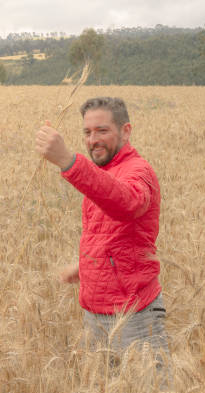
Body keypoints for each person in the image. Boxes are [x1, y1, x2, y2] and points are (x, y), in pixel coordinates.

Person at [35, 97, 170, 361]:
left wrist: (67, 160)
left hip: (134, 318)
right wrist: (86, 266)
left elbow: (127, 203)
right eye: (87, 132)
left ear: (126, 131)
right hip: (95, 314)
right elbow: (111, 231)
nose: (92, 139)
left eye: (102, 130)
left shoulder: (138, 171)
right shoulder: (106, 170)